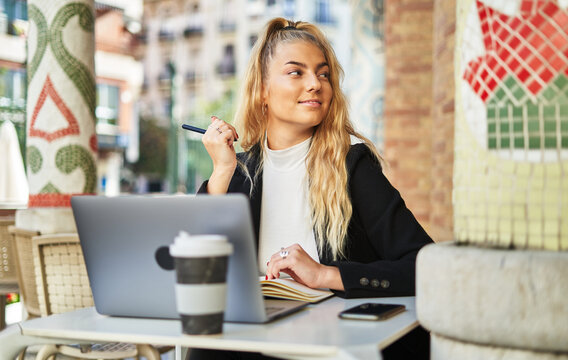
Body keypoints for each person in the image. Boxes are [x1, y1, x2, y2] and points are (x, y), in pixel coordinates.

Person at [190, 17, 433, 360]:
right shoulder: (237, 171)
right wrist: (222, 172)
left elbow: (424, 263)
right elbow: (198, 277)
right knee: (205, 348)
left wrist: (325, 274)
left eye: (323, 74)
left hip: (331, 343)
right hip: (255, 341)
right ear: (262, 89)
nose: (315, 84)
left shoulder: (352, 164)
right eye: (296, 72)